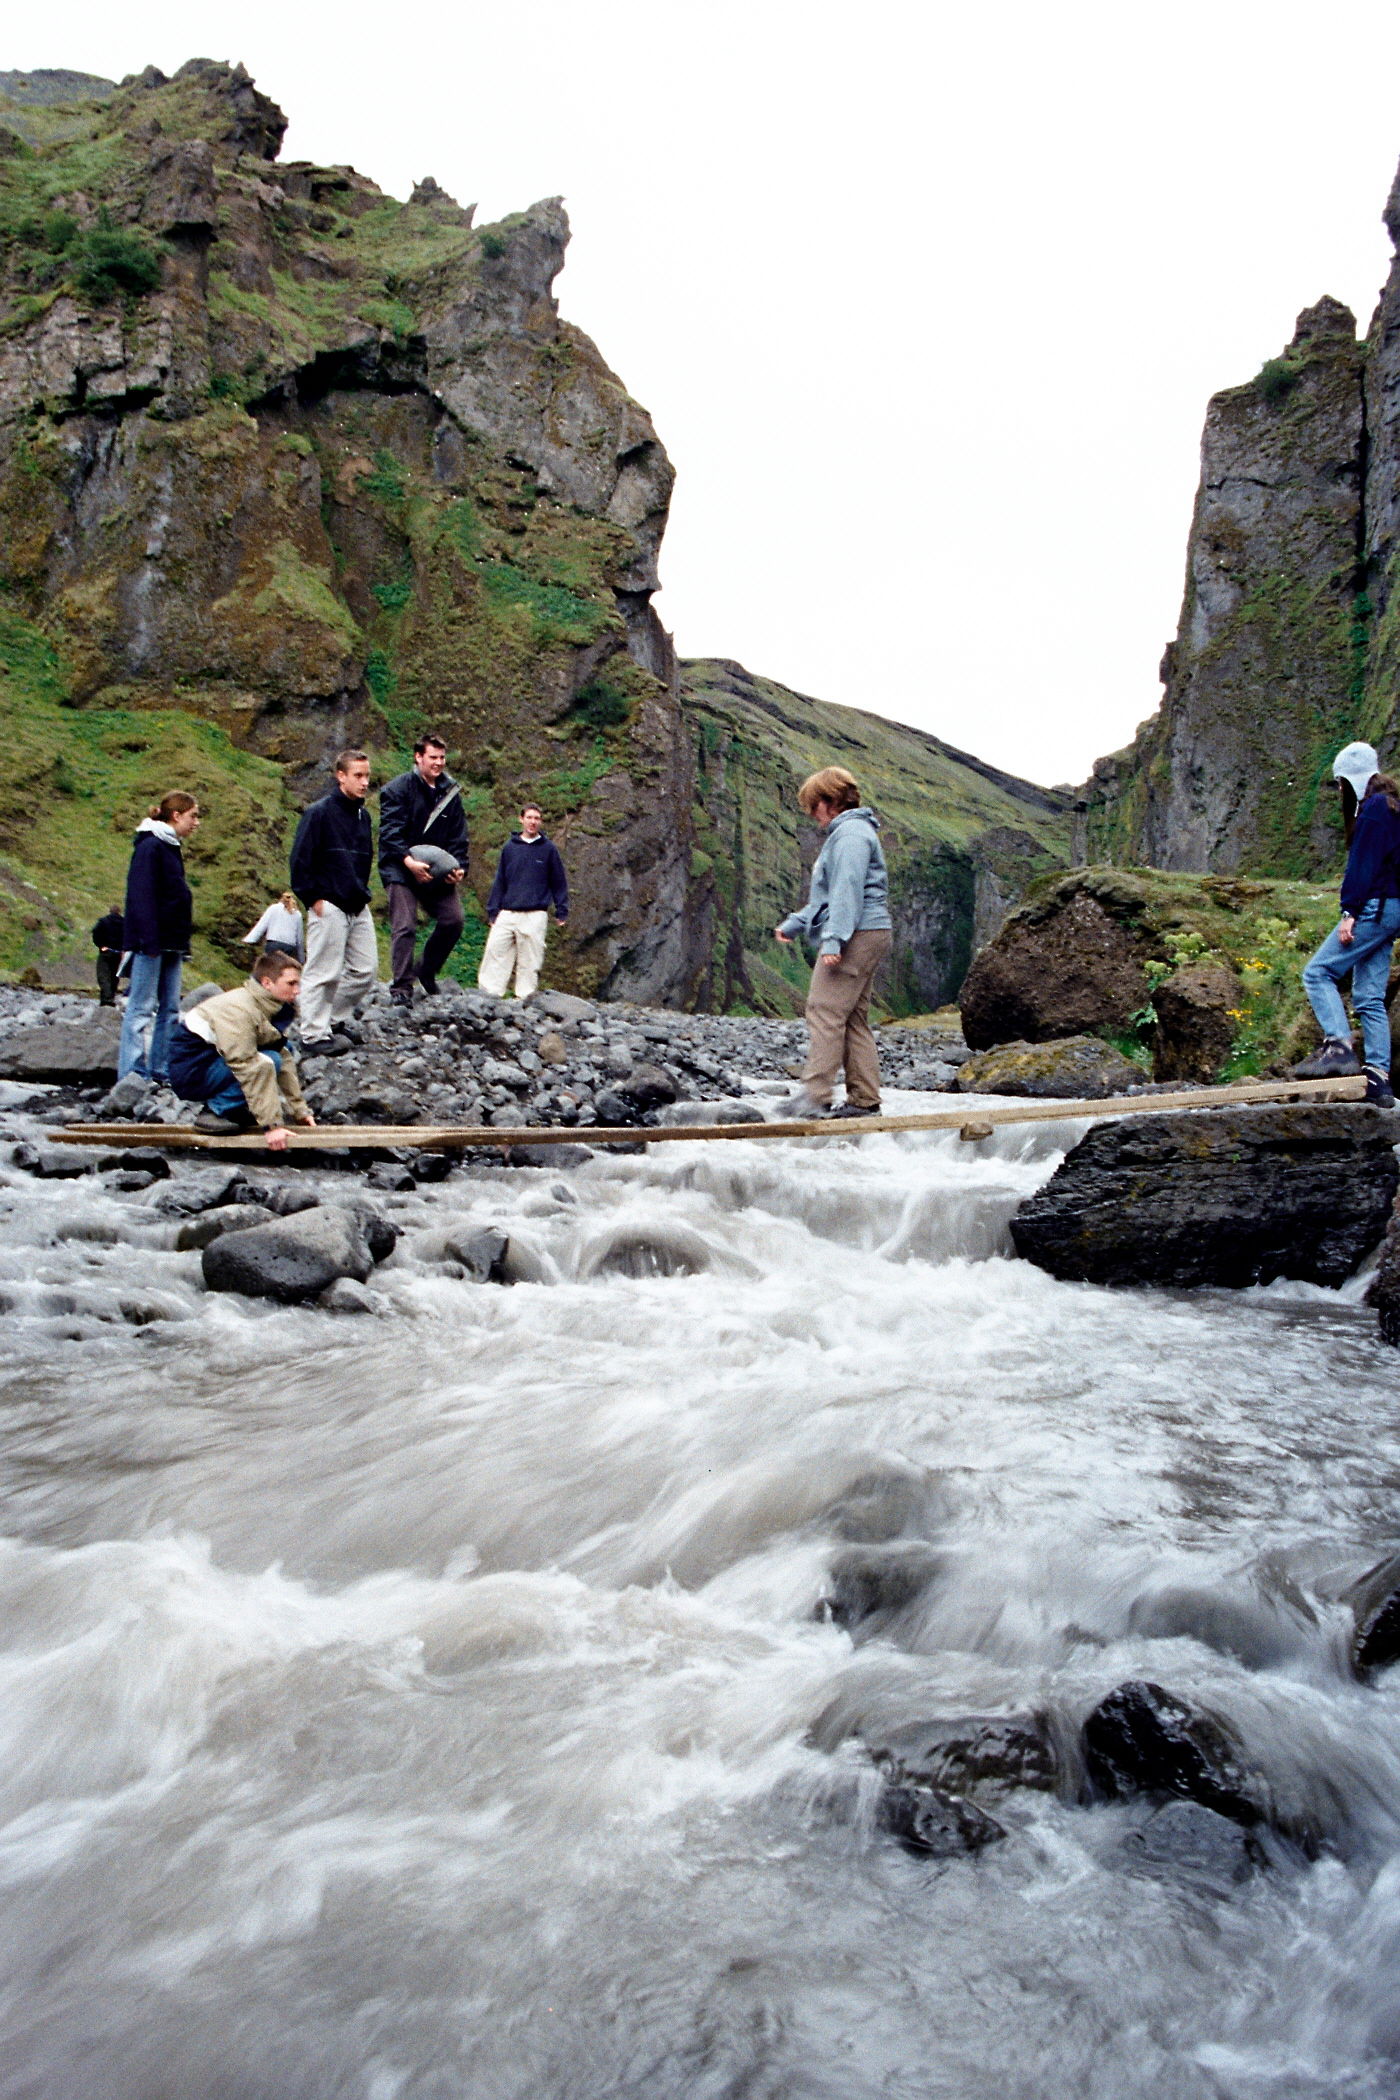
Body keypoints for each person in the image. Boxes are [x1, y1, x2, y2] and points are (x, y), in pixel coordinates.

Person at [774, 765, 893, 1119]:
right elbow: (826, 897)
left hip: (857, 932)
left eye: (813, 807)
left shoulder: (851, 835)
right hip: (869, 931)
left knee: (824, 1010)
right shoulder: (851, 832)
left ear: (829, 801)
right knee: (853, 1018)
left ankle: (815, 1094)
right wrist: (795, 924)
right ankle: (864, 1100)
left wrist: (833, 940)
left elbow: (846, 892)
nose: (813, 816)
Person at [1293, 741, 1400, 1107]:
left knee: (1318, 972)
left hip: (1373, 907)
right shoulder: (1393, 807)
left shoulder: (1371, 810)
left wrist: (1349, 912)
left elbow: (1363, 867)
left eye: (1341, 782)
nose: (1340, 790)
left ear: (1352, 780)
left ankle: (1338, 1045)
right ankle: (1379, 1082)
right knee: (1369, 997)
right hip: (1392, 912)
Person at [167, 950, 317, 1149]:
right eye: (291, 984)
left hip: (212, 1062)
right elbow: (246, 1064)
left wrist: (300, 1111)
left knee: (278, 1054)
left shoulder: (263, 1005)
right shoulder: (239, 1010)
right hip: (193, 1073)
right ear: (267, 983)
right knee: (265, 1061)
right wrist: (272, 1127)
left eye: (298, 983)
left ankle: (236, 1109)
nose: (297, 990)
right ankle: (216, 1111)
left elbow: (284, 1055)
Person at [289, 750, 376, 1048]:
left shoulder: (365, 816)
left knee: (366, 971)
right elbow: (300, 859)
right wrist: (313, 898)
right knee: (323, 970)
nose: (364, 782)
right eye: (358, 776)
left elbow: (365, 860)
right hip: (328, 902)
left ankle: (333, 1019)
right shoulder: (319, 813)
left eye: (367, 776)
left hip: (357, 902)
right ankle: (313, 1034)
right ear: (341, 776)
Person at [378, 733, 469, 1005]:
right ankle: (402, 988)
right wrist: (408, 861)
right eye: (433, 757)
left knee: (454, 920)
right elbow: (389, 832)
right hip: (400, 867)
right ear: (418, 757)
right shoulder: (396, 789)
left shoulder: (451, 792)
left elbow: (459, 836)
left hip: (436, 870)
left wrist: (459, 867)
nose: (438, 763)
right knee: (404, 926)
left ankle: (426, 971)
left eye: (442, 757)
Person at [117, 790, 199, 1086]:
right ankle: (132, 1073)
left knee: (170, 1008)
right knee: (141, 1007)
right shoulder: (151, 846)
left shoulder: (170, 845)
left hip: (172, 942)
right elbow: (140, 895)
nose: (197, 823)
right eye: (193, 816)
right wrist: (147, 941)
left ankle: (161, 1068)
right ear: (176, 815)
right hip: (150, 943)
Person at [478, 803, 569, 998]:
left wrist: (562, 910)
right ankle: (489, 995)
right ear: (521, 819)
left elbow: (559, 881)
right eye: (529, 817)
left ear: (541, 822)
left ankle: (524, 998)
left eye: (536, 818)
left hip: (535, 913)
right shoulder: (510, 848)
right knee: (495, 952)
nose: (533, 822)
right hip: (507, 911)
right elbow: (500, 879)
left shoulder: (549, 849)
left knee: (530, 960)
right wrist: (493, 910)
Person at [243, 891, 305, 962]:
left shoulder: (273, 908)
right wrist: (301, 958)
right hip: (290, 947)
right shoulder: (297, 914)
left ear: (281, 899)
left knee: (271, 968)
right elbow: (299, 938)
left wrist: (249, 940)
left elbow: (262, 925)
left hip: (273, 944)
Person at [91, 905, 124, 1006]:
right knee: (114, 976)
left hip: (106, 952)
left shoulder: (103, 921)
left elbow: (95, 932)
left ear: (110, 911)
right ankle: (111, 996)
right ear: (119, 912)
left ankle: (106, 999)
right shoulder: (125, 922)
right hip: (118, 953)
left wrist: (100, 945)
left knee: (103, 975)